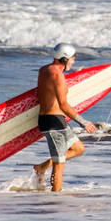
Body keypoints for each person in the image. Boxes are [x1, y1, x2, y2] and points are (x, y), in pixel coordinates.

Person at [33, 42, 97, 191]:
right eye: (73, 59)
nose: (73, 62)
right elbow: (63, 105)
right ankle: (56, 200)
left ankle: (42, 167)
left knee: (78, 148)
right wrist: (83, 122)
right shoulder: (58, 75)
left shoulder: (44, 70)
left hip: (51, 121)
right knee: (59, 165)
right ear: (65, 58)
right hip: (54, 124)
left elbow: (38, 93)